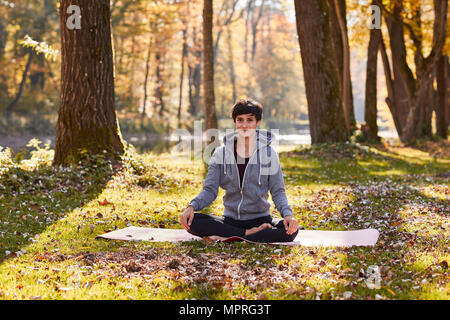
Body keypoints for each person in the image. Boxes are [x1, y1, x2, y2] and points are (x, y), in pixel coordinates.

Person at [179, 99, 299, 243]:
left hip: (261, 219)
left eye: (249, 120)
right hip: (230, 221)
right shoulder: (220, 153)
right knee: (193, 221)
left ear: (257, 122)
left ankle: (228, 237)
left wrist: (287, 215)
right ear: (235, 123)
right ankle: (248, 235)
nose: (244, 125)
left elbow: (278, 191)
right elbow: (210, 190)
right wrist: (192, 206)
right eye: (240, 120)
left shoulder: (269, 154)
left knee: (291, 231)